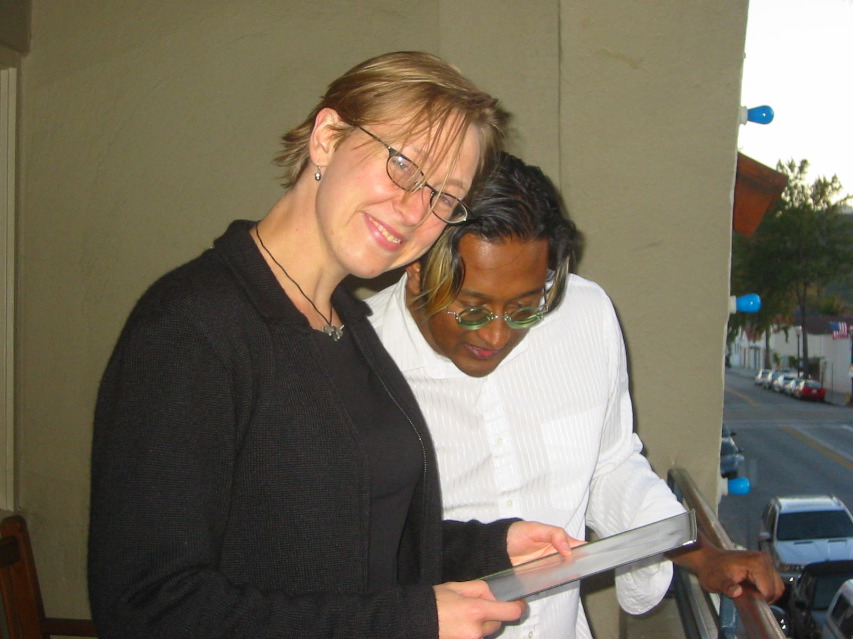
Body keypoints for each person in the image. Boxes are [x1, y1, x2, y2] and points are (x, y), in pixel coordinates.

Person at [88, 53, 581, 639]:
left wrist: (486, 548)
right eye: (403, 164)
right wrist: (409, 622)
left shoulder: (346, 321)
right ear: (327, 138)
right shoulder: (194, 327)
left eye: (445, 197)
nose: (415, 211)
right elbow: (147, 606)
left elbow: (339, 539)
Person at [367, 152, 785, 638]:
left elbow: (610, 465)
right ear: (417, 268)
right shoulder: (358, 363)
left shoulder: (583, 315)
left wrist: (701, 555)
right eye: (472, 310)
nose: (498, 336)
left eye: (524, 310)